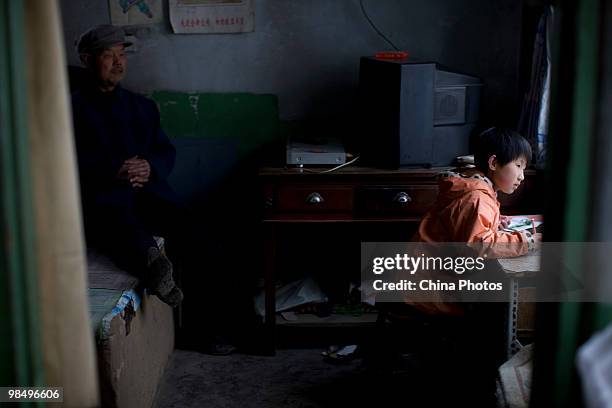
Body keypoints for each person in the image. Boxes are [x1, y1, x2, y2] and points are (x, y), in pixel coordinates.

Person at [71, 24, 185, 307]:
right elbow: (64, 158)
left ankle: (211, 329)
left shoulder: (141, 106)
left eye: (121, 55)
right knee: (118, 227)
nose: (118, 62)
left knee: (193, 232)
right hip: (101, 198)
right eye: (108, 55)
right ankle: (152, 262)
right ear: (87, 59)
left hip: (149, 194)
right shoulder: (69, 108)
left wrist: (149, 166)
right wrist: (114, 169)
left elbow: (165, 150)